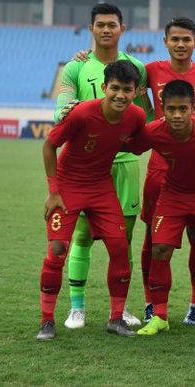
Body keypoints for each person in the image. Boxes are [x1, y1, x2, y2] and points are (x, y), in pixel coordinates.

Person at [56, 3, 152, 330]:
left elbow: (147, 115)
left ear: (122, 28)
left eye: (112, 24)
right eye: (101, 24)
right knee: (82, 236)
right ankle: (77, 308)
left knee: (122, 240)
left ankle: (120, 309)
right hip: (86, 166)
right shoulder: (76, 67)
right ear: (92, 29)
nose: (106, 29)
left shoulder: (136, 67)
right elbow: (61, 113)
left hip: (124, 163)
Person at [36, 61, 147, 341]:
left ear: (135, 92)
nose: (120, 95)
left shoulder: (135, 117)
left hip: (101, 186)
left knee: (120, 248)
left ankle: (115, 318)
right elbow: (49, 145)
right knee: (58, 248)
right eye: (115, 89)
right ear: (104, 88)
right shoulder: (82, 113)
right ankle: (47, 321)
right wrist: (53, 191)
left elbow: (134, 142)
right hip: (68, 186)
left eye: (127, 90)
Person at [125, 80, 195, 340]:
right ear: (163, 108)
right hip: (172, 196)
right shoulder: (153, 131)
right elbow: (124, 143)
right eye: (171, 109)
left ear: (194, 108)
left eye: (182, 109)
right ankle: (160, 316)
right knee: (159, 249)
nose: (176, 115)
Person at [140, 18, 195, 326]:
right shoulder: (149, 70)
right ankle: (152, 305)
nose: (180, 44)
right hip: (159, 171)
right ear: (165, 41)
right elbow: (122, 83)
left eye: (186, 39)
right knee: (155, 242)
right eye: (175, 39)